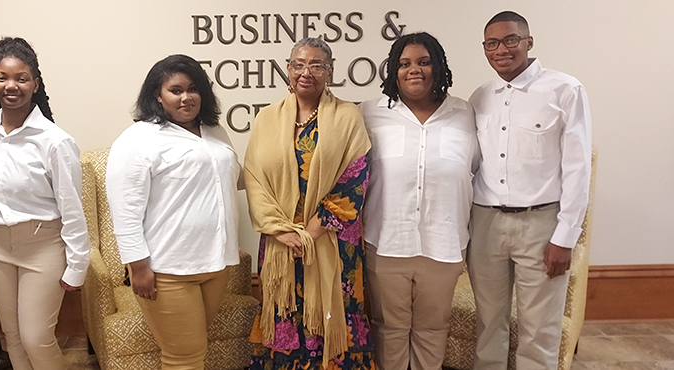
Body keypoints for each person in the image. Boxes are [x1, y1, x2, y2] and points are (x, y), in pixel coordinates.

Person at [467, 11, 592, 370]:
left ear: (528, 42)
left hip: (541, 224)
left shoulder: (565, 90)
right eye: (492, 43)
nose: (501, 49)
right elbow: (473, 165)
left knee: (540, 329)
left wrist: (565, 238)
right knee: (489, 323)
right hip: (485, 223)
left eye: (510, 40)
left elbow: (577, 167)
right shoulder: (479, 97)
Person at [246, 37, 374, 370]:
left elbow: (355, 178)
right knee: (284, 312)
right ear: (288, 69)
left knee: (336, 315)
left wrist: (311, 232)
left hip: (331, 241)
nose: (307, 72)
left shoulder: (348, 117)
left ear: (329, 72)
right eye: (299, 64)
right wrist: (281, 231)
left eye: (317, 65)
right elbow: (254, 179)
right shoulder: (266, 119)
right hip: (281, 241)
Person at [106, 54, 240, 369]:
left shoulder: (214, 131)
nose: (186, 97)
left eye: (193, 89)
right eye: (175, 90)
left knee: (194, 350)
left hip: (216, 264)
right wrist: (137, 268)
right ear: (157, 94)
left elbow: (232, 178)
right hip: (167, 271)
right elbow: (125, 211)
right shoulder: (137, 139)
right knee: (184, 358)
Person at [359, 32, 478, 370]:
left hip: (444, 244)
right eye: (405, 63)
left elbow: (477, 170)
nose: (415, 70)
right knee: (389, 330)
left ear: (438, 67)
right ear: (393, 71)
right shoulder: (370, 113)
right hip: (386, 243)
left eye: (424, 62)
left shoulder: (464, 114)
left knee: (432, 329)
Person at [0, 37, 90, 370]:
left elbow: (72, 206)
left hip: (42, 246)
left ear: (35, 84)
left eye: (21, 78)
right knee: (12, 336)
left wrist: (77, 263)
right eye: (2, 77)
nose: (11, 85)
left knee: (37, 337)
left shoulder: (55, 140)